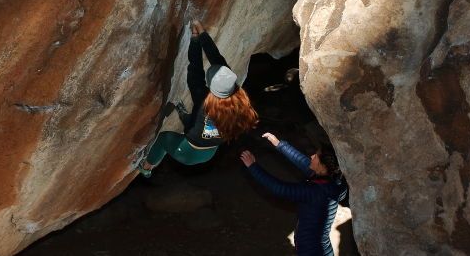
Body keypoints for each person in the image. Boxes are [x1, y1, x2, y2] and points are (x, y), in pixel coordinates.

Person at [137, 20, 259, 177]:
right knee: (196, 124)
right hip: (210, 151)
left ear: (211, 89)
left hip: (189, 153)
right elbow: (217, 58)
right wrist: (202, 34)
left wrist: (194, 40)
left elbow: (195, 67)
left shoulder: (204, 101)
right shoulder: (234, 91)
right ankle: (186, 119)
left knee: (162, 138)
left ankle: (147, 168)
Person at [240, 133, 348, 256]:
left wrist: (253, 166)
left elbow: (280, 188)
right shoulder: (334, 181)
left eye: (316, 156)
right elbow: (302, 162)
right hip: (321, 249)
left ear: (323, 166)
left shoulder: (314, 192)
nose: (312, 156)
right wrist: (279, 144)